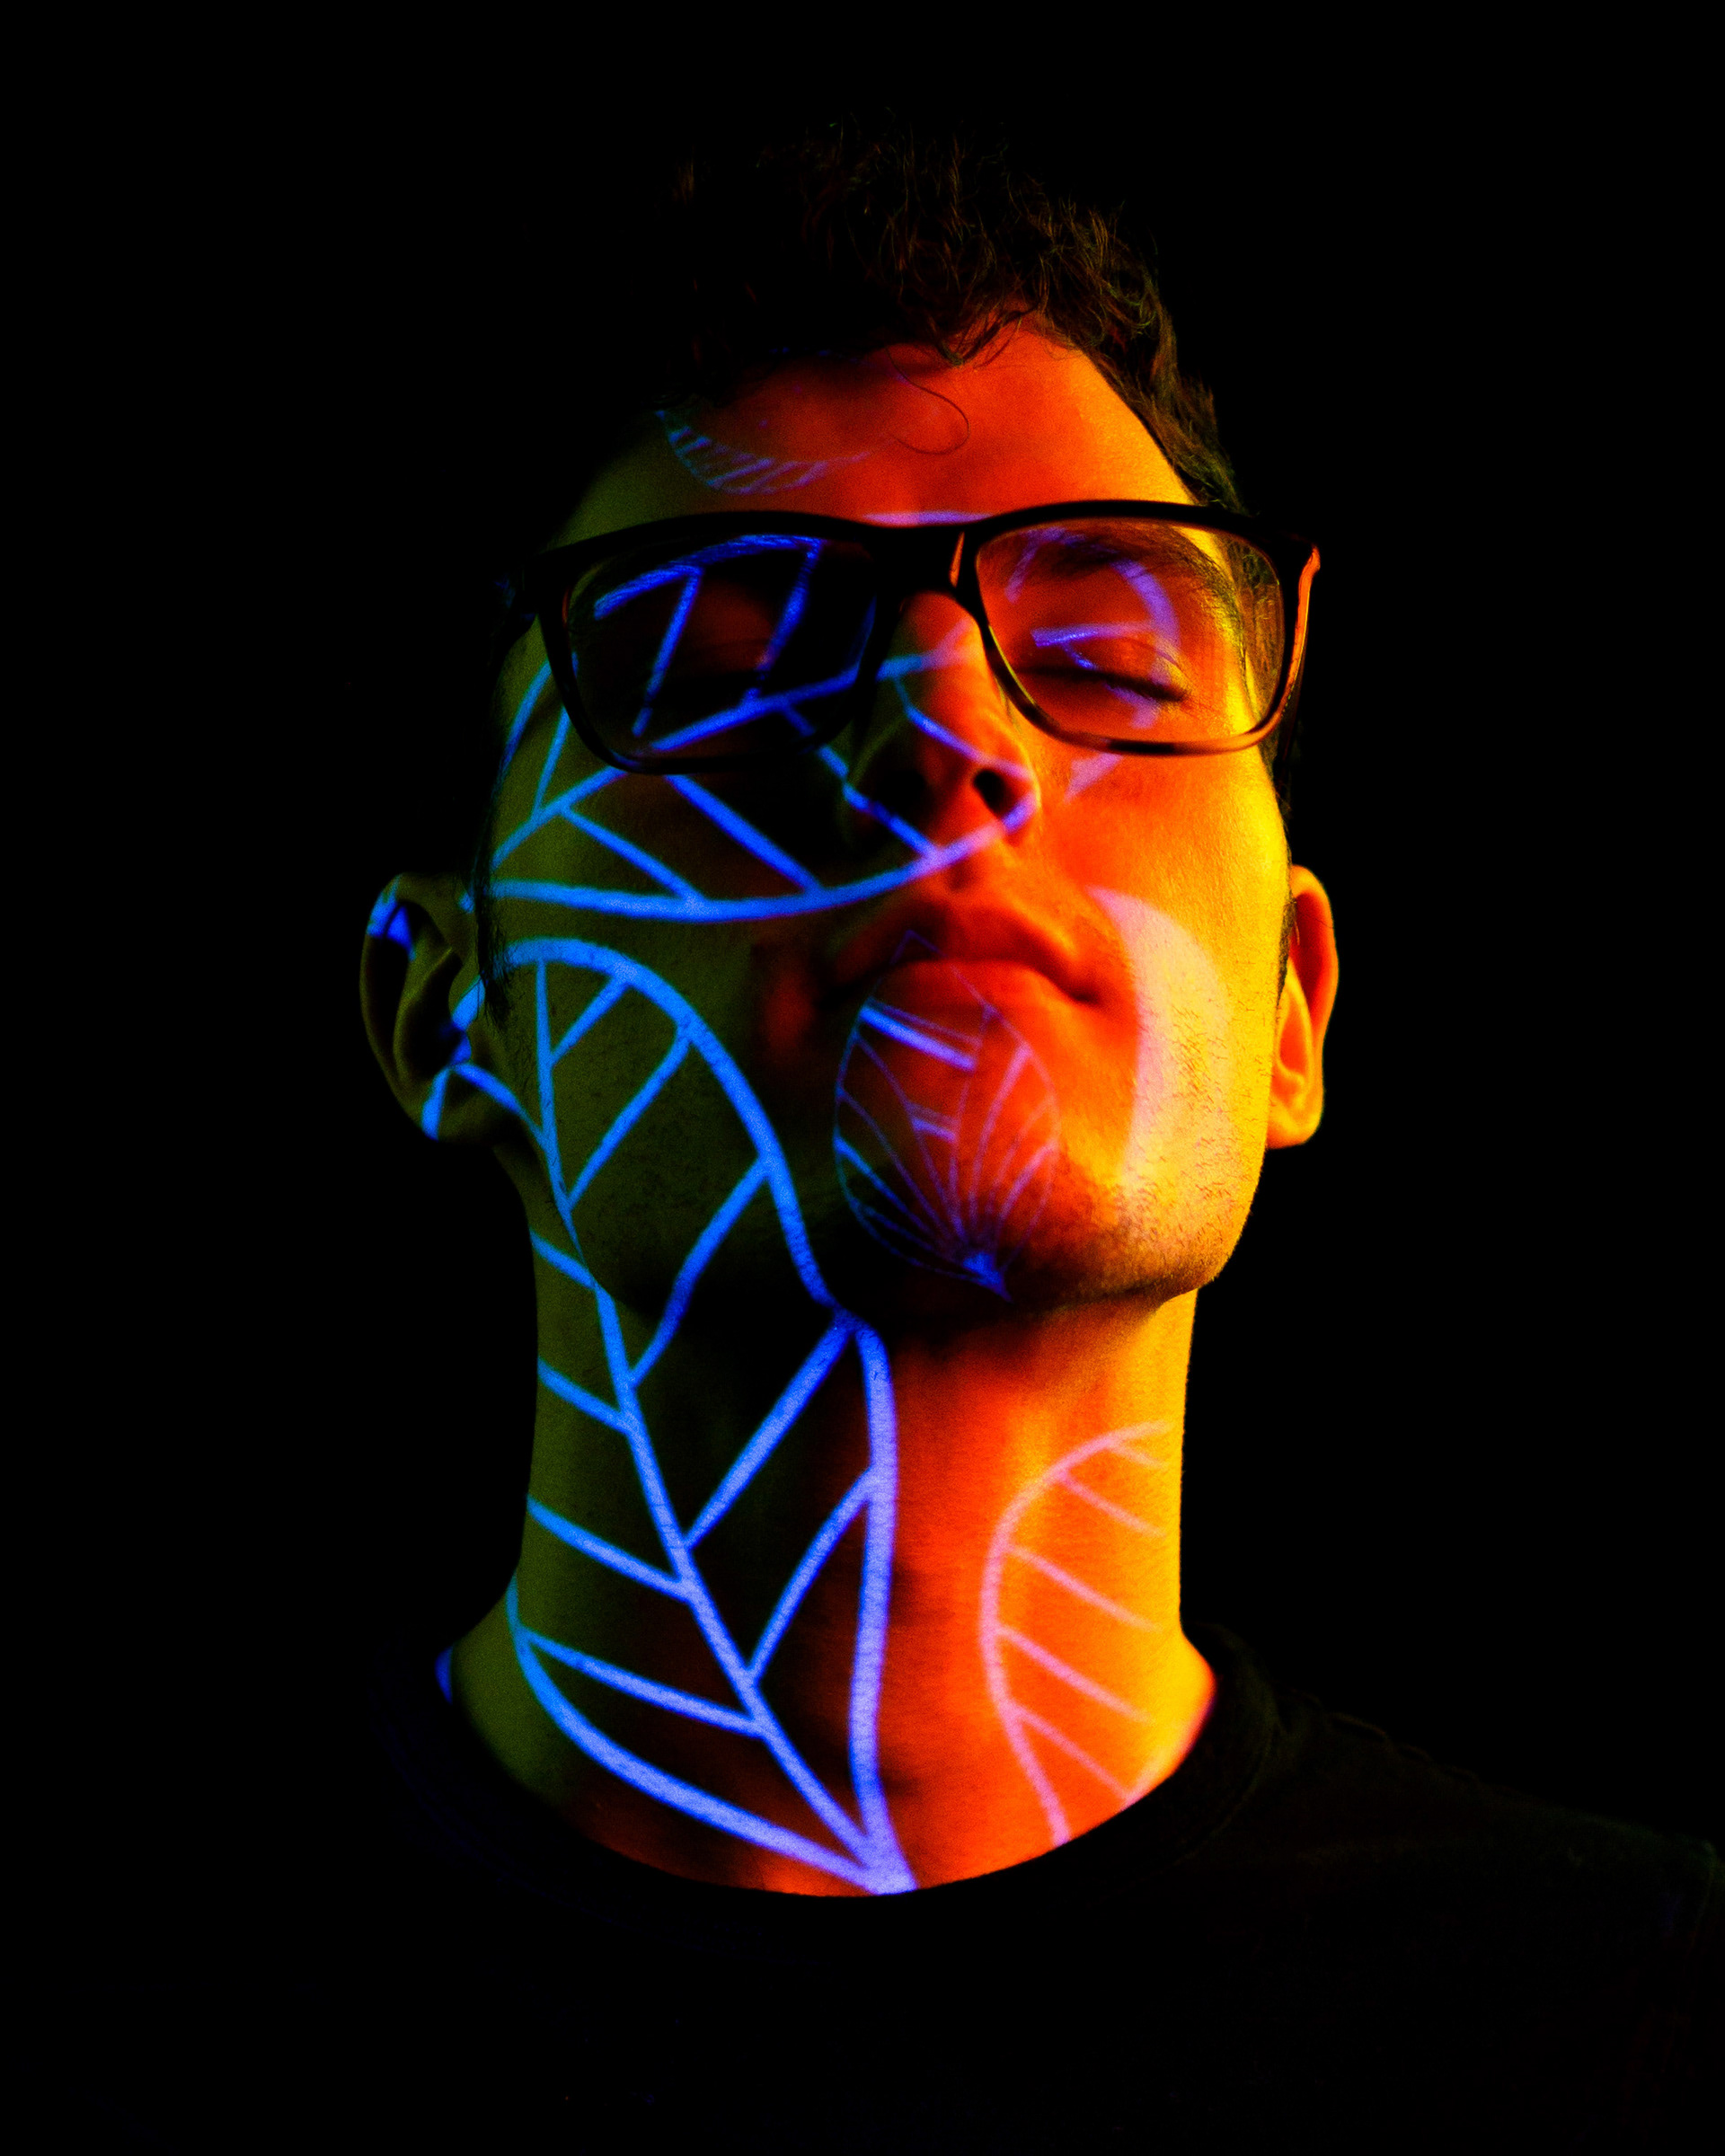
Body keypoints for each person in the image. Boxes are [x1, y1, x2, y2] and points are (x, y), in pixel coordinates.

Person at [76, 122, 1722, 2148]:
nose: (953, 733)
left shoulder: (1649, 2034)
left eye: (1107, 658)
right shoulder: (107, 2019)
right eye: (728, 665)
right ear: (449, 1007)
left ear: (1294, 1005)